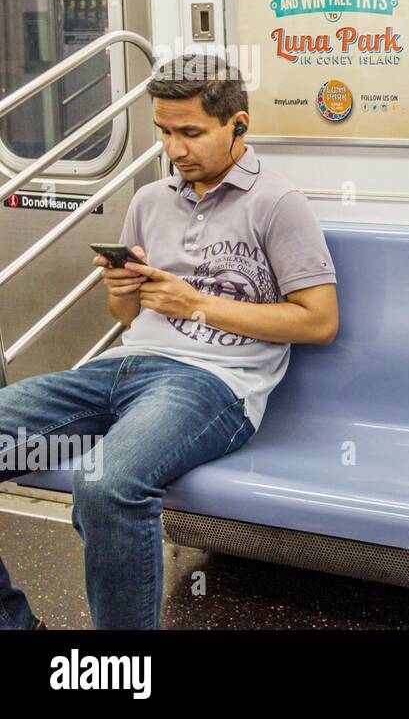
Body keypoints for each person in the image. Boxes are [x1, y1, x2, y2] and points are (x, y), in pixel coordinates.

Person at [0, 55, 339, 630]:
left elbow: (318, 321)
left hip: (213, 384)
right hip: (123, 365)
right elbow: (128, 317)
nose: (175, 150)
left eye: (190, 132)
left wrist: (198, 304)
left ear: (238, 125)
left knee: (106, 484)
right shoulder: (149, 201)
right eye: (163, 132)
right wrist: (124, 289)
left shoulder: (278, 204)